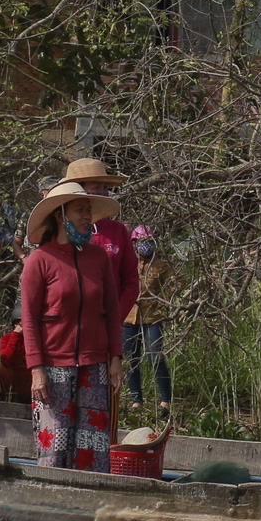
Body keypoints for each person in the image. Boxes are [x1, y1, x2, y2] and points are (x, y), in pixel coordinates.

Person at [20, 180, 133, 469]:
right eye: (80, 210)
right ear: (60, 216)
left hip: (94, 365)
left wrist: (116, 358)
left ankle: (90, 508)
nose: (87, 217)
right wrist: (36, 370)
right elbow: (29, 320)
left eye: (89, 211)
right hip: (52, 368)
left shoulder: (99, 258)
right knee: (54, 447)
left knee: (92, 448)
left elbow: (110, 310)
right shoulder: (39, 260)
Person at [123, 225, 172, 414]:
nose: (145, 246)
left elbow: (178, 281)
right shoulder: (127, 263)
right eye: (141, 242)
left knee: (155, 357)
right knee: (131, 359)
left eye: (148, 241)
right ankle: (137, 401)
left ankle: (165, 402)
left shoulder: (161, 265)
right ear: (134, 243)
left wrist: (163, 298)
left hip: (153, 316)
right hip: (129, 316)